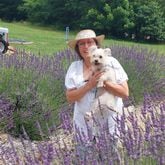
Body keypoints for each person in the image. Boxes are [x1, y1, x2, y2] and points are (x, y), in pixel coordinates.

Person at [65, 29, 129, 138]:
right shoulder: (74, 67)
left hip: (110, 125)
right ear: (77, 48)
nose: (86, 46)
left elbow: (124, 93)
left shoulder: (112, 62)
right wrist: (89, 85)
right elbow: (70, 98)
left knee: (110, 154)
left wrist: (104, 82)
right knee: (84, 154)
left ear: (96, 45)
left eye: (89, 42)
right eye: (81, 43)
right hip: (84, 127)